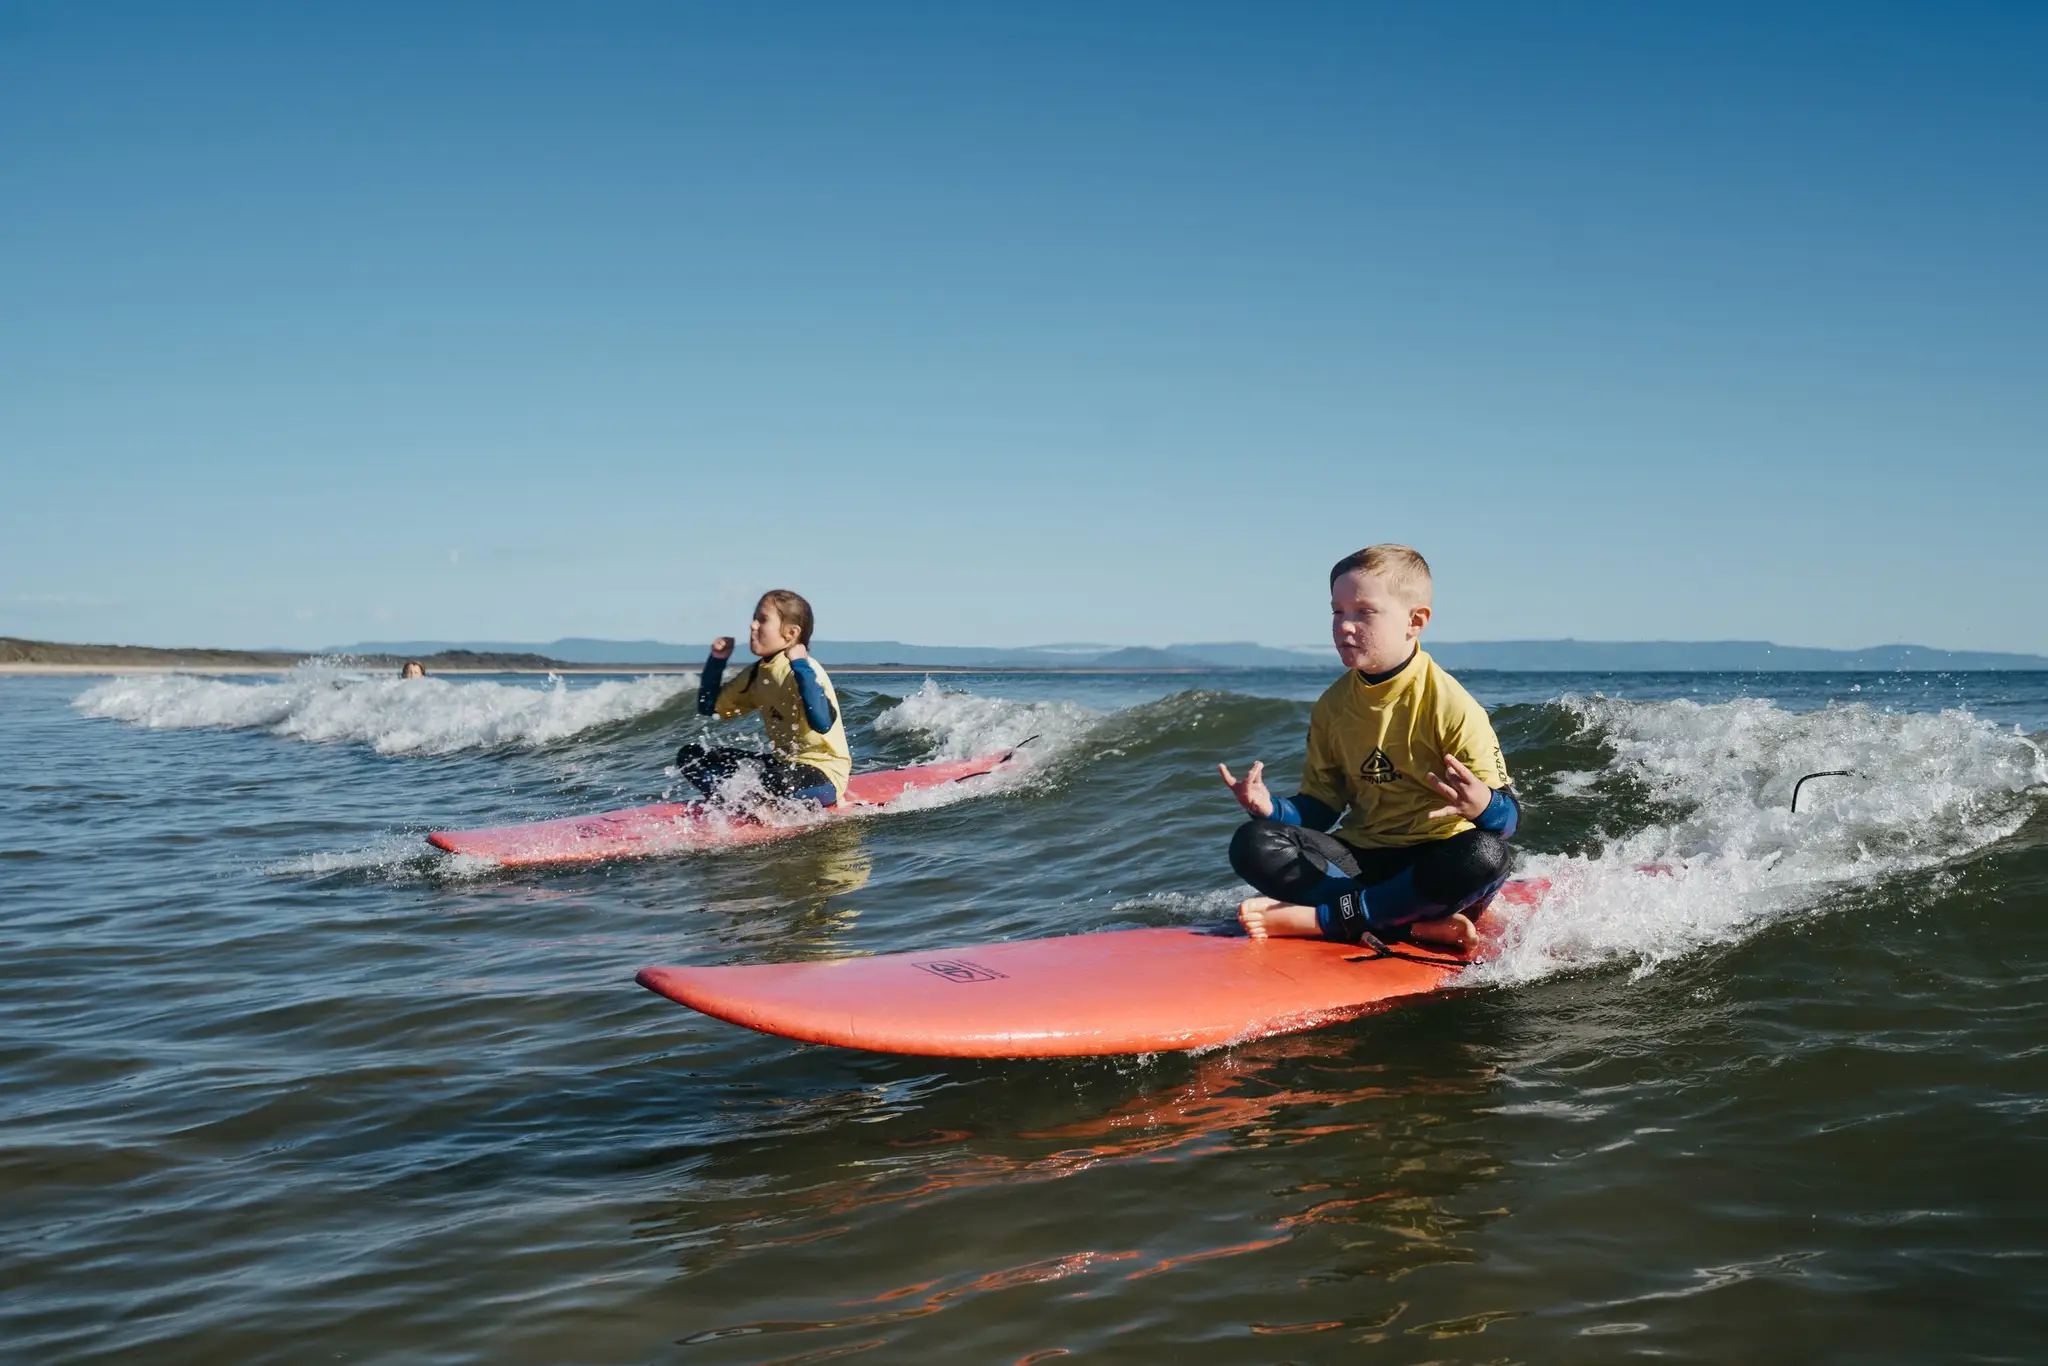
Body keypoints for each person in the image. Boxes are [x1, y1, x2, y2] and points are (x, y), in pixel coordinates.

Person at [1218, 544, 1519, 955]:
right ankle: (1406, 921)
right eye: (1337, 612)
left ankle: (1325, 919)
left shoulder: (1452, 705)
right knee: (1253, 843)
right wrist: (1271, 809)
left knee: (1486, 854)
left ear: (1415, 621)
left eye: (1364, 612)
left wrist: (1482, 804)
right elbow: (1321, 808)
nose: (1344, 626)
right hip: (1364, 860)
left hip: (1432, 861)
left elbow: (1507, 822)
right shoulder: (1333, 705)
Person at [676, 589, 851, 809]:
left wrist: (800, 665)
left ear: (790, 632)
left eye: (762, 620)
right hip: (782, 766)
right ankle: (727, 806)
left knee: (774, 781)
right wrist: (717, 661)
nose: (753, 626)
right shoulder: (757, 673)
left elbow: (822, 722)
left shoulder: (805, 669)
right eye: (753, 619)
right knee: (692, 757)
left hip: (824, 774)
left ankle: (743, 805)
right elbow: (709, 707)